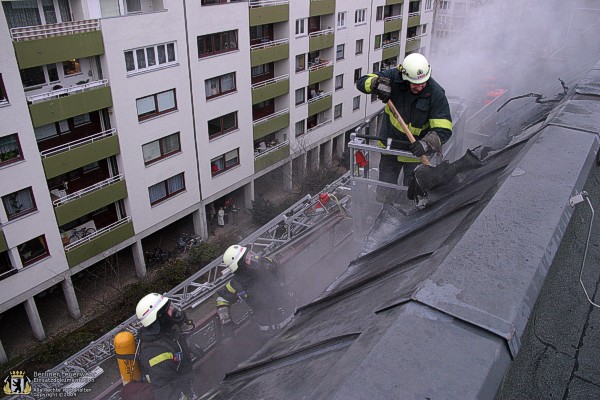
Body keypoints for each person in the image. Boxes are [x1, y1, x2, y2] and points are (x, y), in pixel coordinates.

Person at [356, 53, 453, 202]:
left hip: (415, 153)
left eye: (423, 82)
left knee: (411, 193)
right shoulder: (394, 77)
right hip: (389, 148)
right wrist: (376, 84)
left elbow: (444, 129)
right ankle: (382, 212)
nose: (420, 87)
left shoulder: (436, 94)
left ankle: (406, 216)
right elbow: (362, 81)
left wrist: (426, 144)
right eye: (415, 83)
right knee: (385, 190)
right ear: (404, 77)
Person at [215, 245, 295, 338]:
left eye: (250, 255)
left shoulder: (265, 263)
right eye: (248, 258)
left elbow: (279, 269)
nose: (252, 258)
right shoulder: (236, 284)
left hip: (293, 316)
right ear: (240, 266)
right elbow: (222, 300)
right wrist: (226, 323)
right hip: (271, 332)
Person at [134, 293, 195, 400]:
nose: (173, 311)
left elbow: (174, 346)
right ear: (160, 317)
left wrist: (187, 348)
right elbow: (166, 393)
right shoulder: (155, 354)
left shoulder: (166, 331)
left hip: (185, 383)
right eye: (169, 309)